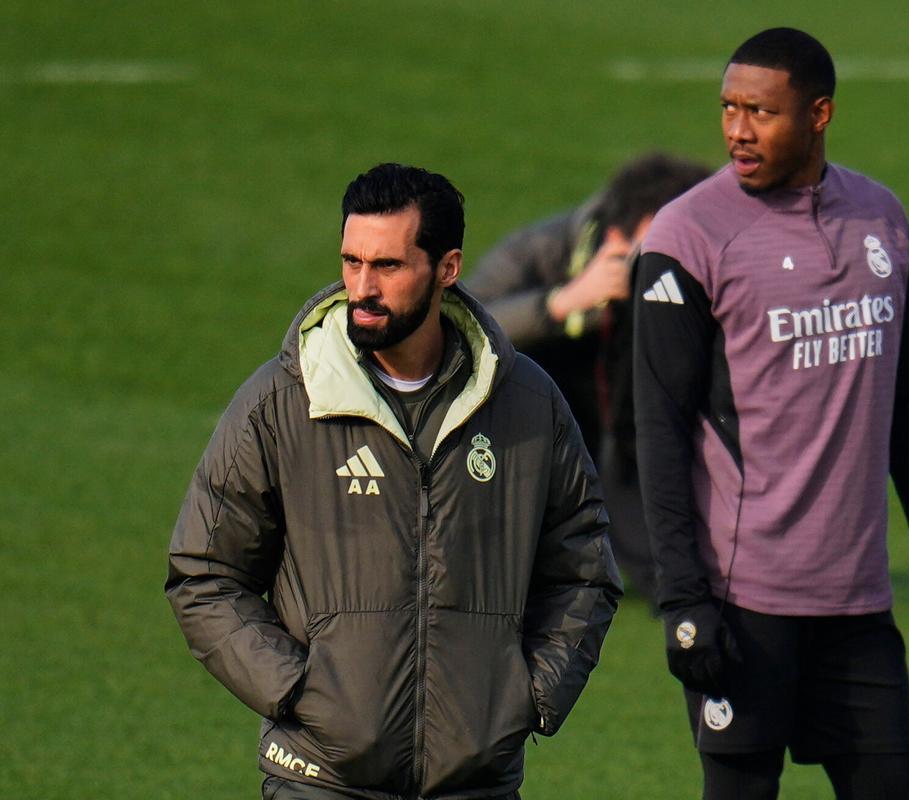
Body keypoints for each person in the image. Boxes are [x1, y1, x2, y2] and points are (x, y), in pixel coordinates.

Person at [166, 163, 622, 800]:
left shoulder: (525, 404)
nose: (361, 287)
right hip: (322, 781)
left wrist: (530, 694)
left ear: (447, 268)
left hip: (475, 783)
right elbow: (204, 573)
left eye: (387, 266)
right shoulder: (280, 403)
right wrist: (299, 692)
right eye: (351, 261)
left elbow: (584, 567)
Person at [633, 28, 909, 800]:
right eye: (728, 108)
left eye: (761, 112)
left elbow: (908, 400)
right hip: (742, 603)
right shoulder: (689, 237)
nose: (736, 131)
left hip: (856, 603)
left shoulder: (881, 220)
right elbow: (657, 428)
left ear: (820, 115)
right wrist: (682, 596)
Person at [468, 153, 710, 600]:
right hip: (543, 408)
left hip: (639, 412)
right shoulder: (541, 250)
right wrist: (562, 303)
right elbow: (460, 333)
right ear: (618, 237)